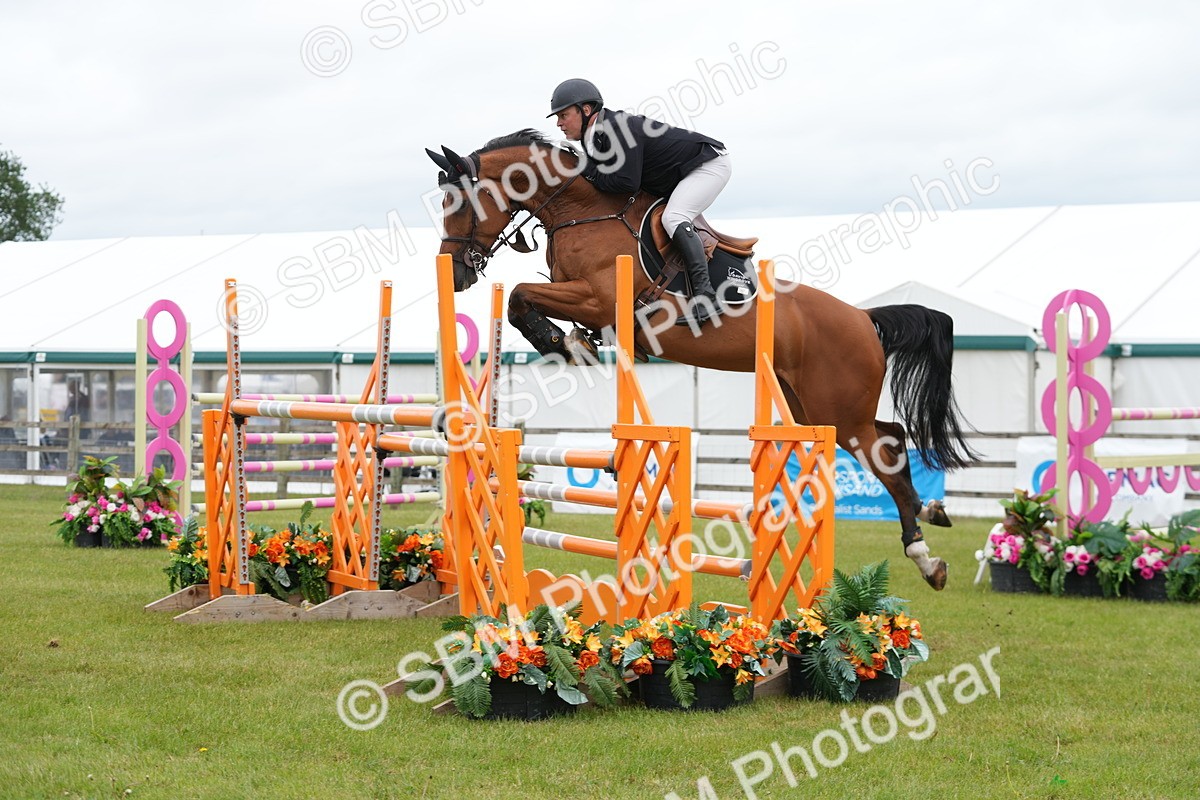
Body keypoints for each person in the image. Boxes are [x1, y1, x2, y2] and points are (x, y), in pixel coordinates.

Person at [548, 78, 732, 326]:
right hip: (676, 175)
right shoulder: (593, 138)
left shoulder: (618, 128)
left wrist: (586, 168)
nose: (559, 123)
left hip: (708, 165)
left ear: (586, 110)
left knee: (674, 217)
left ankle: (706, 296)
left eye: (563, 115)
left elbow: (625, 183)